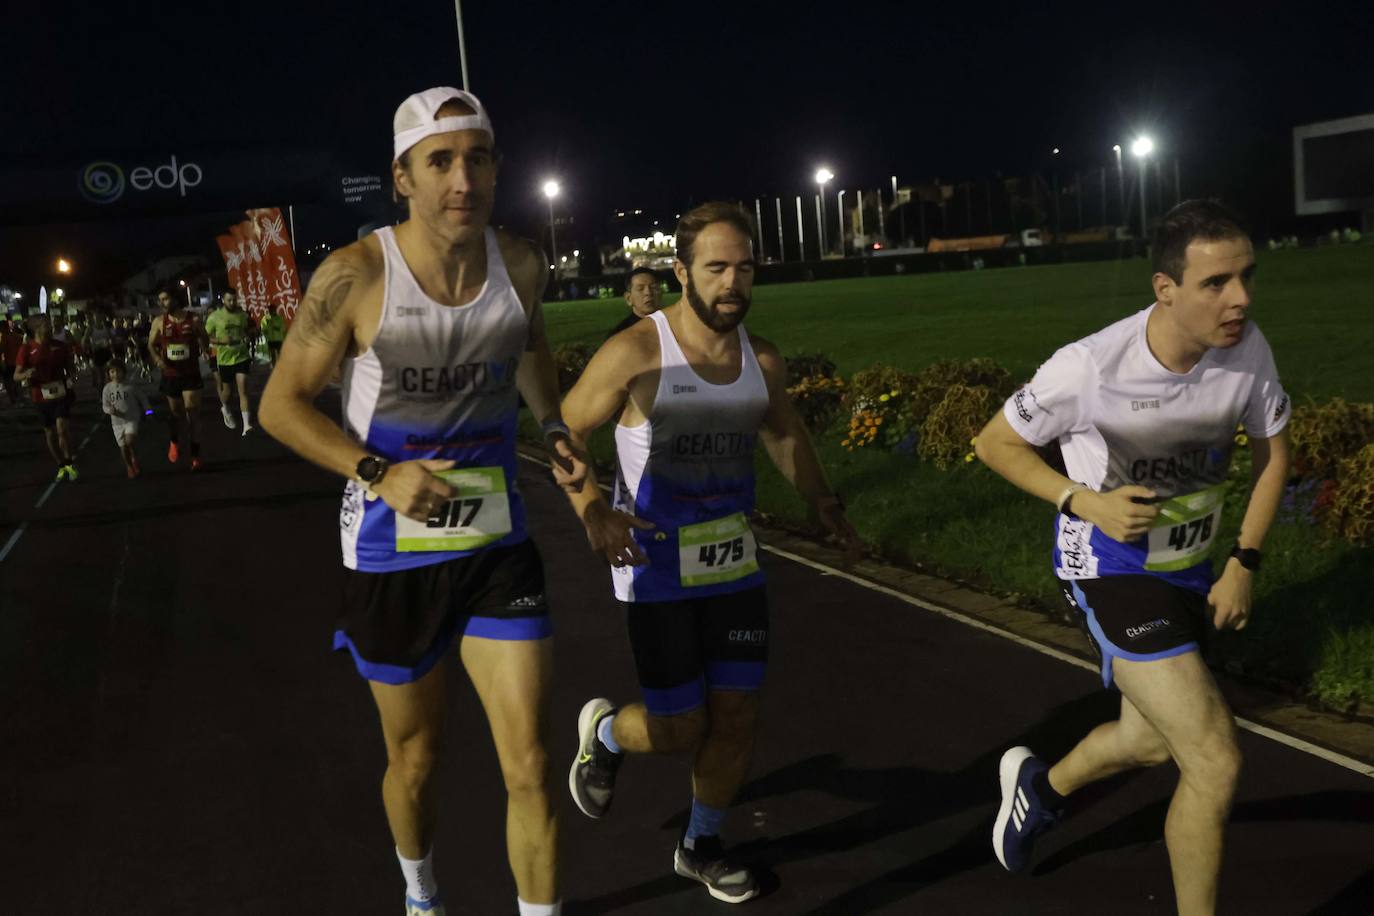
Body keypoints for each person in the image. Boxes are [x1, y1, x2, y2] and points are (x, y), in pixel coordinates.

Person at [259, 87, 586, 916]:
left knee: (533, 765)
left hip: (495, 544)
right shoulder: (356, 275)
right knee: (417, 759)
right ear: (401, 178)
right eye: (440, 162)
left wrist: (551, 423)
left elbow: (529, 344)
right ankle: (421, 892)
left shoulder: (520, 265)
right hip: (388, 546)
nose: (462, 180)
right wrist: (378, 472)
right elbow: (280, 405)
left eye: (478, 159)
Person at [974, 200, 1291, 916]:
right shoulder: (1088, 368)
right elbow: (994, 443)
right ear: (1165, 288)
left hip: (1191, 571)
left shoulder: (1247, 349)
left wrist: (1244, 560)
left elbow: (1275, 457)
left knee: (1147, 743)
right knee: (1213, 759)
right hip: (1108, 570)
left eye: (1246, 277)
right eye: (1216, 283)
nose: (1239, 299)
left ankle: (1040, 791)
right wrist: (1080, 501)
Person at [558, 202, 860, 904]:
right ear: (681, 273)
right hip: (653, 570)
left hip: (733, 569)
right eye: (717, 268)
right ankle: (605, 732)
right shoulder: (638, 351)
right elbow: (564, 431)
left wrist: (825, 507)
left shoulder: (762, 359)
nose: (733, 283)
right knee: (677, 728)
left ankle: (699, 845)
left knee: (737, 717)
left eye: (744, 268)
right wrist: (592, 511)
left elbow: (783, 433)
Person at [149, 287, 210, 470]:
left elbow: (204, 337)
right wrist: (157, 358)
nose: (162, 303)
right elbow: (151, 345)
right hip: (171, 375)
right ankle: (174, 441)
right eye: (160, 299)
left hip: (190, 374)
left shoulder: (194, 320)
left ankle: (195, 455)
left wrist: (204, 350)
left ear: (175, 299)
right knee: (176, 414)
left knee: (192, 413)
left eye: (165, 298)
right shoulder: (159, 321)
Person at [14, 315, 80, 481]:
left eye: (51, 326)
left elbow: (70, 367)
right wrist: (26, 374)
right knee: (50, 434)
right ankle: (61, 465)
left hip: (60, 393)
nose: (51, 328)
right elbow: (16, 375)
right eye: (47, 326)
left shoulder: (60, 346)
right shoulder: (26, 349)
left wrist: (73, 375)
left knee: (62, 430)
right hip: (40, 396)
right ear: (37, 329)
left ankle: (69, 463)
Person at [205, 290, 254, 434]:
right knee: (227, 391)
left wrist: (247, 336)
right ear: (224, 301)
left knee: (243, 389)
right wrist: (220, 341)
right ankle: (225, 408)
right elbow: (205, 337)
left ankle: (246, 425)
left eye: (234, 300)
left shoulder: (242, 315)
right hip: (225, 360)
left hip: (242, 356)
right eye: (229, 300)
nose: (232, 303)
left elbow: (247, 330)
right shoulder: (215, 317)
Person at [102, 361, 152, 478]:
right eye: (112, 371)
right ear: (108, 374)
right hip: (117, 423)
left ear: (123, 372)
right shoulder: (107, 389)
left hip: (131, 418)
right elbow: (105, 405)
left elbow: (143, 398)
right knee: (123, 446)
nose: (115, 374)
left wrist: (148, 411)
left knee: (129, 440)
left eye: (118, 371)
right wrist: (110, 410)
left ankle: (133, 457)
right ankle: (129, 466)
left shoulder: (130, 385)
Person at [604, 267, 662, 340]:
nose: (648, 293)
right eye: (640, 289)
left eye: (653, 287)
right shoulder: (619, 335)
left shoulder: (673, 325)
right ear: (628, 298)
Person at [86, 315, 115, 392]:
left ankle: (108, 394)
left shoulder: (106, 329)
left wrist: (109, 344)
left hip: (106, 353)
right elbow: (84, 342)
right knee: (100, 377)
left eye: (100, 318)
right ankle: (101, 395)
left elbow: (112, 339)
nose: (99, 320)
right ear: (94, 319)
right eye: (97, 318)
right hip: (96, 354)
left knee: (108, 376)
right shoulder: (90, 329)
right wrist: (94, 345)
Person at [1, 316, 25, 406]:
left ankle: (14, 399)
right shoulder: (18, 337)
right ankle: (20, 399)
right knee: (17, 382)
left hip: (9, 363)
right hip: (18, 362)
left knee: (8, 382)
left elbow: (1, 350)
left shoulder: (5, 337)